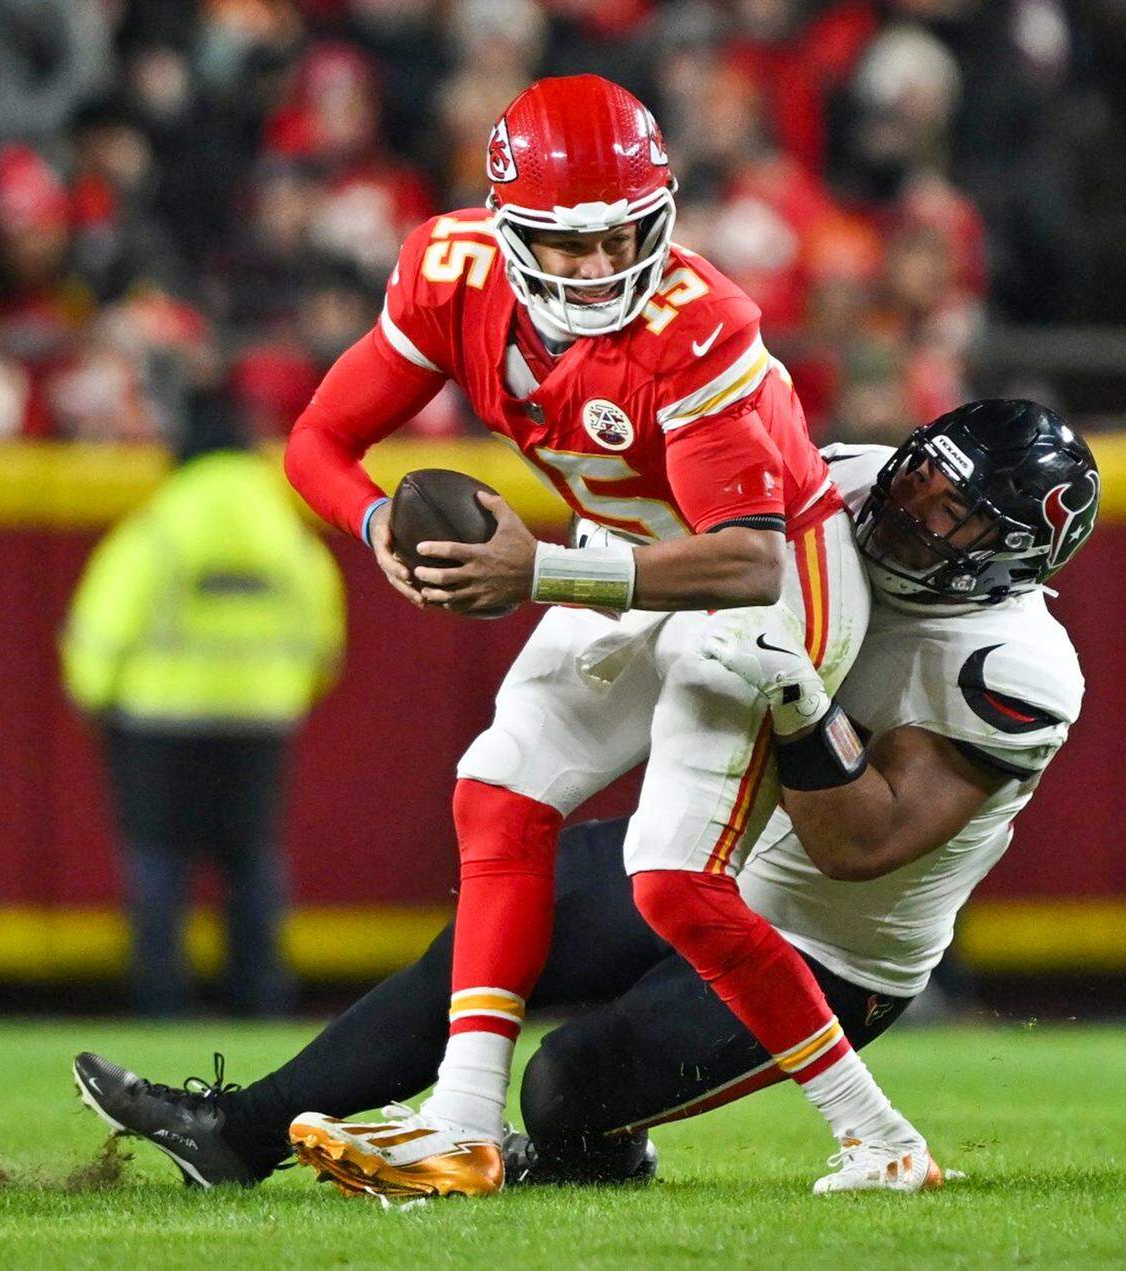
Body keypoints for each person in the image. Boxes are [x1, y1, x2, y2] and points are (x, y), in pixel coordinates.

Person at [72, 400, 1098, 1194]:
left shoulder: (1012, 669)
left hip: (829, 947)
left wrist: (799, 693)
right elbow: (692, 546)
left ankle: (596, 1152)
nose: (906, 512)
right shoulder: (848, 480)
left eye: (948, 517)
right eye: (921, 479)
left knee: (564, 1088)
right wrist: (548, 572)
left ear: (1008, 557)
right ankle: (237, 1134)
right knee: (503, 922)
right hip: (717, 850)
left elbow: (859, 840)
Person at [280, 72, 936, 1196]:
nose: (597, 267)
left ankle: (880, 1139)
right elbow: (318, 442)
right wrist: (378, 522)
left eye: (620, 236)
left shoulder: (700, 324)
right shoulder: (451, 275)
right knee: (499, 783)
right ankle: (465, 1119)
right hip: (621, 553)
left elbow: (746, 556)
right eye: (565, 244)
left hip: (777, 588)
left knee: (673, 880)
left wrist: (536, 569)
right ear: (504, 229)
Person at [60, 406, 346, 1016]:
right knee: (252, 862)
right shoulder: (287, 537)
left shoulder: (157, 531)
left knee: (159, 863)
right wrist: (283, 694)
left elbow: (102, 629)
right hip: (260, 723)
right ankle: (263, 1001)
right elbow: (324, 639)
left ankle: (161, 1004)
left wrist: (95, 695)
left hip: (158, 724)